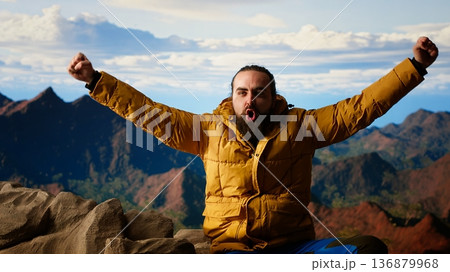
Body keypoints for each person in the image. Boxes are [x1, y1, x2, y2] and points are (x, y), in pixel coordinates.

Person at [68, 37, 438, 253]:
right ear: (231, 98)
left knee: (369, 249)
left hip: (292, 249)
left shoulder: (301, 128)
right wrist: (96, 80)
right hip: (229, 251)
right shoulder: (206, 131)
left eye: (259, 93)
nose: (250, 100)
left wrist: (414, 67)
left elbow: (357, 110)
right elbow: (147, 112)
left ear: (274, 98)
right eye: (242, 92)